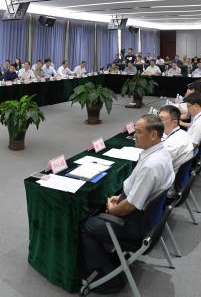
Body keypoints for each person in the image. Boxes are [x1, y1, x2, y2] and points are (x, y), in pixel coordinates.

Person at [79, 114, 173, 294]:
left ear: (153, 135)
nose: (134, 135)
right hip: (148, 217)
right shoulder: (161, 153)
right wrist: (121, 196)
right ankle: (110, 258)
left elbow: (130, 206)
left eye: (138, 132)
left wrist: (113, 209)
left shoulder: (150, 166)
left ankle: (106, 278)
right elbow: (135, 193)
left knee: (87, 225)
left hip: (134, 225)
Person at [159, 105, 194, 171]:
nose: (158, 123)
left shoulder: (171, 146)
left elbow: (157, 166)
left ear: (174, 122)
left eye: (161, 120)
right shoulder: (184, 133)